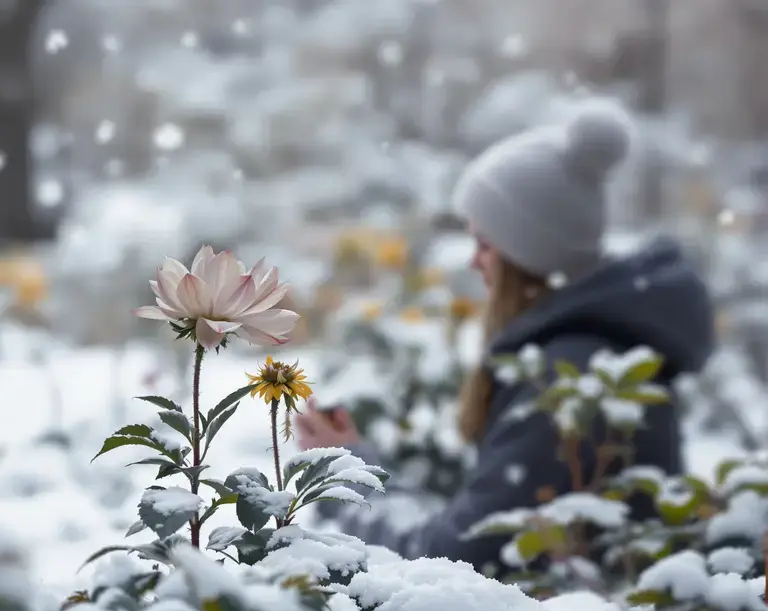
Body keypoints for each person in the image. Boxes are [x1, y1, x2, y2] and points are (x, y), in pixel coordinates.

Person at [295, 100, 716, 573]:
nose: (474, 261)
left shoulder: (564, 382)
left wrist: (341, 481)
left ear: (526, 254)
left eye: (485, 243)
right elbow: (474, 527)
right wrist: (359, 465)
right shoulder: (595, 353)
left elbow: (456, 560)